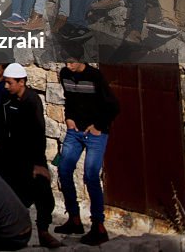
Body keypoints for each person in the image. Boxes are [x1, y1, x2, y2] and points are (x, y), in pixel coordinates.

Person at [56, 58, 120, 246]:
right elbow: (69, 98)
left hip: (95, 133)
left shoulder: (94, 76)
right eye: (66, 63)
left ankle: (98, 226)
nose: (69, 67)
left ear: (81, 60)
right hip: (75, 131)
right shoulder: (65, 74)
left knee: (91, 175)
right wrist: (68, 118)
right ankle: (74, 219)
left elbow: (114, 106)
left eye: (72, 63)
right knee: (64, 169)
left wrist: (99, 126)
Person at [0, 63, 60, 248]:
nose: (6, 86)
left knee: (43, 195)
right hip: (12, 157)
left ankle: (43, 232)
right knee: (14, 197)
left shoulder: (32, 101)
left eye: (10, 83)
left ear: (21, 82)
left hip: (31, 157)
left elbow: (38, 132)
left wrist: (38, 163)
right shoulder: (7, 100)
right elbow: (4, 125)